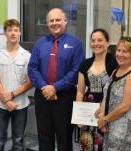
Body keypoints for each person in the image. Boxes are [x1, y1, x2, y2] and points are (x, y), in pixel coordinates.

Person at [28, 8, 85, 151]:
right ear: (47, 23)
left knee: (64, 137)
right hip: (43, 96)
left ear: (65, 21)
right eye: (51, 20)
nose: (55, 23)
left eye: (58, 20)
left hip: (65, 97)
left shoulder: (76, 44)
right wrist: (45, 87)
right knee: (44, 136)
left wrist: (55, 87)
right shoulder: (40, 43)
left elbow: (76, 71)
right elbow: (32, 68)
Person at [96, 36, 131, 151]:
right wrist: (102, 114)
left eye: (125, 52)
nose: (120, 54)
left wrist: (104, 120)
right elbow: (106, 95)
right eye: (118, 50)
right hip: (112, 127)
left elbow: (125, 106)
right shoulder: (115, 71)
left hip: (128, 132)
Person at [0, 19, 32, 151]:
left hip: (20, 104)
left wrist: (12, 95)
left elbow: (30, 82)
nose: (13, 33)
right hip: (0, 104)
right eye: (10, 30)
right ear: (5, 33)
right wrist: (5, 99)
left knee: (18, 140)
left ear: (20, 32)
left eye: (16, 30)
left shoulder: (27, 55)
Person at [75, 28, 116, 151]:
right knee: (86, 145)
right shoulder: (85, 64)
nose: (96, 43)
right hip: (88, 112)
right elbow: (80, 91)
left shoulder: (115, 63)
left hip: (108, 112)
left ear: (108, 43)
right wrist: (78, 116)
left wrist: (105, 113)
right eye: (93, 40)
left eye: (100, 40)